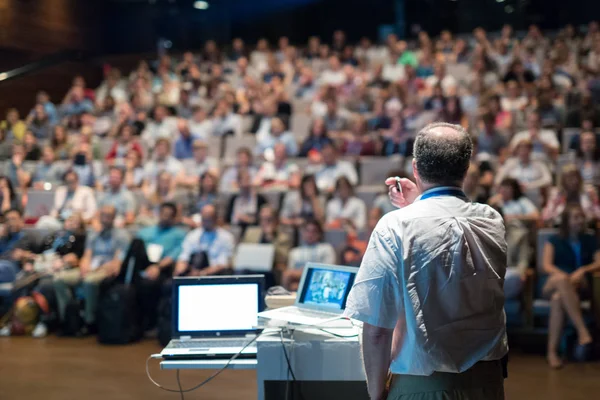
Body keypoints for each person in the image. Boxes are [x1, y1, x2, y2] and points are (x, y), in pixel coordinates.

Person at [344, 123, 507, 400]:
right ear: (466, 170)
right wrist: (418, 203)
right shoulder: (491, 219)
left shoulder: (395, 226)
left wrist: (375, 395)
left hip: (421, 388)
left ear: (415, 168)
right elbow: (446, 233)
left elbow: (376, 331)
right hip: (487, 386)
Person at [53, 205, 130, 336]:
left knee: (89, 282)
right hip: (91, 268)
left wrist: (96, 269)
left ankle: (89, 321)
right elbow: (87, 255)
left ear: (113, 218)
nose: (106, 219)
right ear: (99, 217)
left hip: (106, 269)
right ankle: (68, 318)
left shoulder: (121, 235)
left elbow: (117, 261)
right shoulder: (93, 234)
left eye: (109, 216)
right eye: (103, 216)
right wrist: (84, 266)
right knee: (59, 279)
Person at [542, 205, 599, 368]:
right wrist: (565, 277)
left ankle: (551, 353)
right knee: (560, 280)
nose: (580, 220)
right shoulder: (554, 239)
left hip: (578, 286)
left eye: (581, 217)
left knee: (558, 299)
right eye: (575, 217)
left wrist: (583, 270)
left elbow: (599, 261)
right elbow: (546, 265)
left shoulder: (589, 239)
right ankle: (582, 330)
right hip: (552, 283)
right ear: (566, 221)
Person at [120, 202, 187, 331]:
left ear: (174, 217)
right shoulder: (145, 232)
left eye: (168, 215)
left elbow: (175, 254)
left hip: (163, 267)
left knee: (149, 285)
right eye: (163, 214)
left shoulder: (179, 234)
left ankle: (149, 322)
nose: (165, 217)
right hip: (143, 265)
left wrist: (157, 267)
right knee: (136, 243)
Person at [175, 204, 235, 277]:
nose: (205, 222)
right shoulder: (192, 235)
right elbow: (184, 256)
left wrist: (202, 273)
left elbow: (224, 263)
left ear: (216, 219)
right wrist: (180, 270)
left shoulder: (226, 237)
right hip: (193, 272)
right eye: (204, 219)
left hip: (216, 274)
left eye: (208, 219)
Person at [241, 205, 292, 283]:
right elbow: (242, 253)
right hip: (250, 269)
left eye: (269, 220)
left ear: (276, 221)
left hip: (271, 272)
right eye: (262, 219)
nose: (265, 223)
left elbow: (282, 259)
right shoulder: (250, 233)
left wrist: (270, 239)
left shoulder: (283, 238)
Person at [283, 219, 336, 291]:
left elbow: (329, 271)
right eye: (307, 231)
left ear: (319, 233)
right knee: (292, 284)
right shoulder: (294, 252)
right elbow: (290, 274)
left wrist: (302, 272)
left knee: (289, 275)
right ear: (302, 233)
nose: (310, 234)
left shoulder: (326, 248)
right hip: (299, 283)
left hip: (321, 282)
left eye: (314, 231)